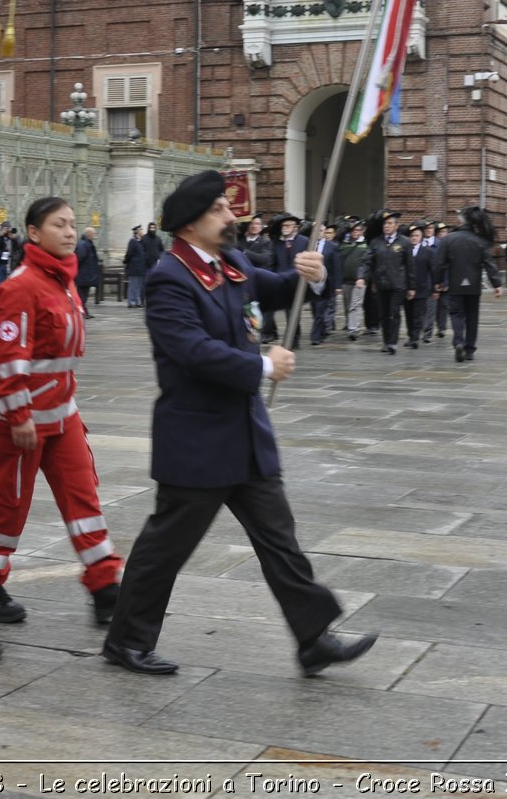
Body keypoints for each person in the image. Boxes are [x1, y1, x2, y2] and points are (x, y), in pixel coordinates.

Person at [103, 170, 376, 676]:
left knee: (281, 540)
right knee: (165, 550)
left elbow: (276, 289)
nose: (233, 216)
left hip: (245, 435)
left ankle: (314, 638)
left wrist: (311, 276)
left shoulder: (230, 261)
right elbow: (191, 350)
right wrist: (263, 366)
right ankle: (126, 641)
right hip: (199, 440)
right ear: (190, 225)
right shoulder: (170, 277)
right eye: (220, 210)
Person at [0, 196, 124, 626]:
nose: (71, 232)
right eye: (60, 225)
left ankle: (105, 584)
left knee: (83, 496)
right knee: (7, 507)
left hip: (61, 415)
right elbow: (9, 362)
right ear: (34, 233)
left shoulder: (63, 281)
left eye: (73, 224)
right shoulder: (20, 286)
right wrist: (19, 417)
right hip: (21, 422)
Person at [431, 206, 503, 362]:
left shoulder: (448, 239)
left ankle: (458, 341)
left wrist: (438, 281)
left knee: (456, 314)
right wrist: (497, 284)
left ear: (460, 221)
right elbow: (489, 263)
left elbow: (439, 264)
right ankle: (469, 349)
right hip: (473, 286)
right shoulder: (480, 241)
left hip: (455, 284)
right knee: (472, 316)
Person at [356, 209, 408, 354]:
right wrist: (361, 277)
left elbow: (410, 266)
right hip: (381, 284)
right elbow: (366, 261)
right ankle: (386, 342)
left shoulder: (404, 242)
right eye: (385, 223)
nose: (387, 226)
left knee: (394, 312)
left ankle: (393, 342)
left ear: (396, 226)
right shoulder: (376, 242)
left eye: (390, 223)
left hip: (397, 285)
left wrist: (411, 287)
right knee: (384, 314)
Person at [264, 214, 309, 347]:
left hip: (297, 282)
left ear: (296, 228)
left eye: (288, 225)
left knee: (293, 312)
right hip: (280, 280)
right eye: (283, 225)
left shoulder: (304, 241)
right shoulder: (277, 243)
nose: (285, 228)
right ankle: (269, 333)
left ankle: (293, 339)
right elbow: (272, 262)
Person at [306, 220, 341, 346]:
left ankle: (314, 336)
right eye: (316, 230)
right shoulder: (308, 245)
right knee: (315, 310)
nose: (318, 233)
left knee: (320, 310)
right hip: (311, 283)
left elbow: (336, 267)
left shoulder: (332, 247)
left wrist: (337, 286)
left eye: (321, 231)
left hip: (326, 283)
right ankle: (320, 332)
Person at [404, 225, 437, 348]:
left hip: (422, 287)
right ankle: (410, 335)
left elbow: (433, 270)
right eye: (412, 236)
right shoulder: (405, 250)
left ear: (421, 237)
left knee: (418, 314)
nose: (414, 238)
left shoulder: (427, 251)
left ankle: (415, 338)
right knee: (409, 314)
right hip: (407, 287)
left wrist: (434, 288)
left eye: (416, 236)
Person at [337, 221, 368, 340]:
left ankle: (353, 329)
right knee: (348, 304)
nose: (355, 233)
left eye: (358, 230)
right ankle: (351, 324)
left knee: (355, 304)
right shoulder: (344, 244)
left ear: (362, 231)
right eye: (353, 231)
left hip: (359, 280)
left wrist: (364, 277)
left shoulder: (365, 244)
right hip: (346, 280)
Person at [74, 226, 101, 318]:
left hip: (87, 275)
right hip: (83, 275)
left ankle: (84, 312)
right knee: (81, 295)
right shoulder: (83, 244)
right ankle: (81, 313)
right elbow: (79, 259)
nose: (95, 235)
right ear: (89, 234)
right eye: (93, 233)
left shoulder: (87, 244)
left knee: (84, 296)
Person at [123, 225, 147, 307]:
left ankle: (137, 302)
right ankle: (132, 302)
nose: (142, 231)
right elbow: (129, 254)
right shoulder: (133, 241)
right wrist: (126, 262)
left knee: (139, 286)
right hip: (134, 267)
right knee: (133, 285)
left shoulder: (141, 241)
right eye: (141, 230)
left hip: (141, 267)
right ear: (136, 231)